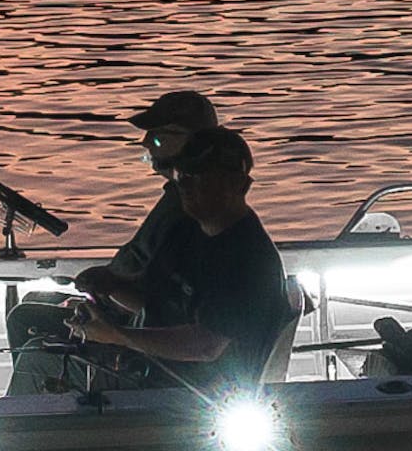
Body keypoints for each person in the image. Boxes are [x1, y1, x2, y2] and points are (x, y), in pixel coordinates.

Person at [64, 127, 291, 395]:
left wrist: (117, 335)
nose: (187, 186)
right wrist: (112, 288)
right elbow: (154, 305)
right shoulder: (184, 231)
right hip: (149, 371)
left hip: (191, 394)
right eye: (183, 176)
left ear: (239, 185)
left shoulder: (249, 257)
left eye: (202, 178)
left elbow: (206, 346)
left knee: (38, 365)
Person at [74, 90, 223, 322]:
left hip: (141, 327)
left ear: (189, 141)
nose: (146, 143)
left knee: (26, 317)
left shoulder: (188, 207)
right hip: (126, 305)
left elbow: (162, 307)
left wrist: (107, 287)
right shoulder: (187, 197)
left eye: (156, 138)